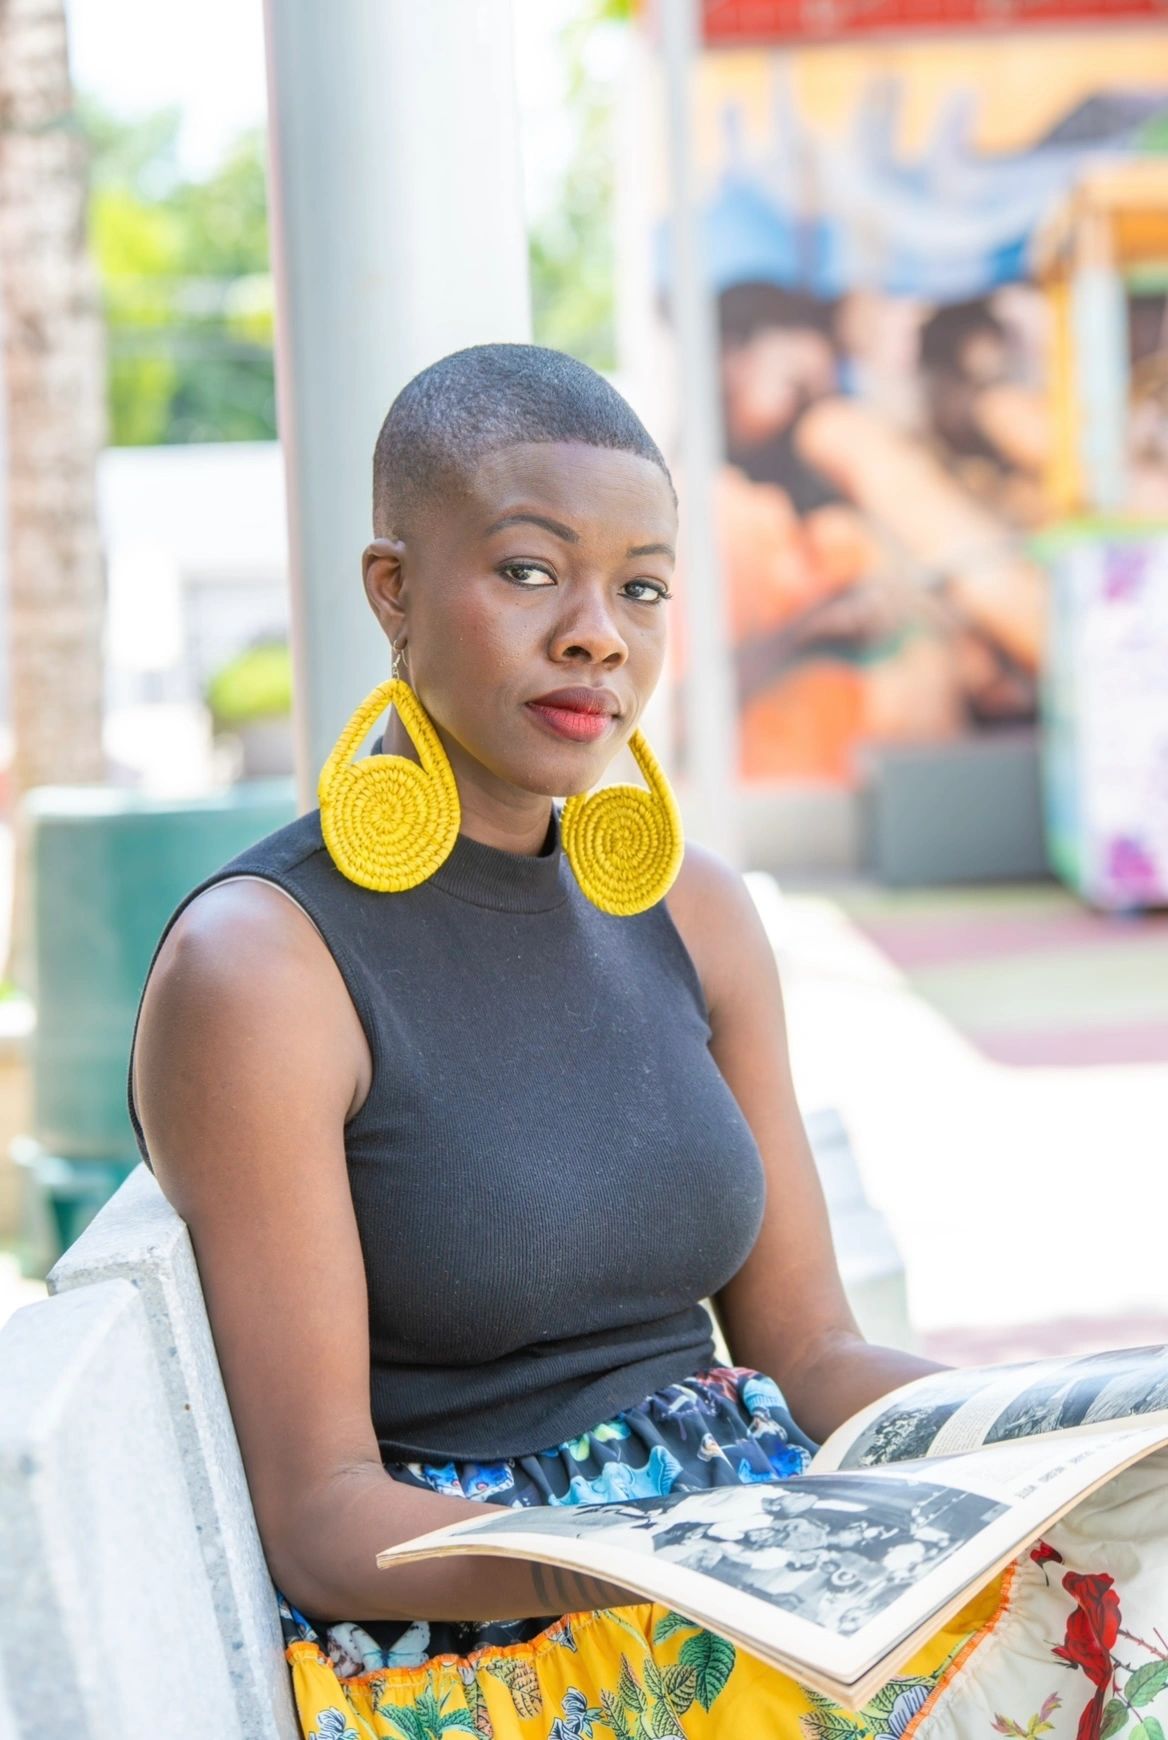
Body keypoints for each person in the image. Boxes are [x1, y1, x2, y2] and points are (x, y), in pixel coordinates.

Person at [128, 345, 1009, 1738]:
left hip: (758, 1565)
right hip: (499, 1636)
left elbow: (817, 1354)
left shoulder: (698, 911)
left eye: (642, 587)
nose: (598, 633)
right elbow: (320, 1518)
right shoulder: (266, 967)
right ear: (393, 591)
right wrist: (665, 1563)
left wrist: (1044, 1428)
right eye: (532, 571)